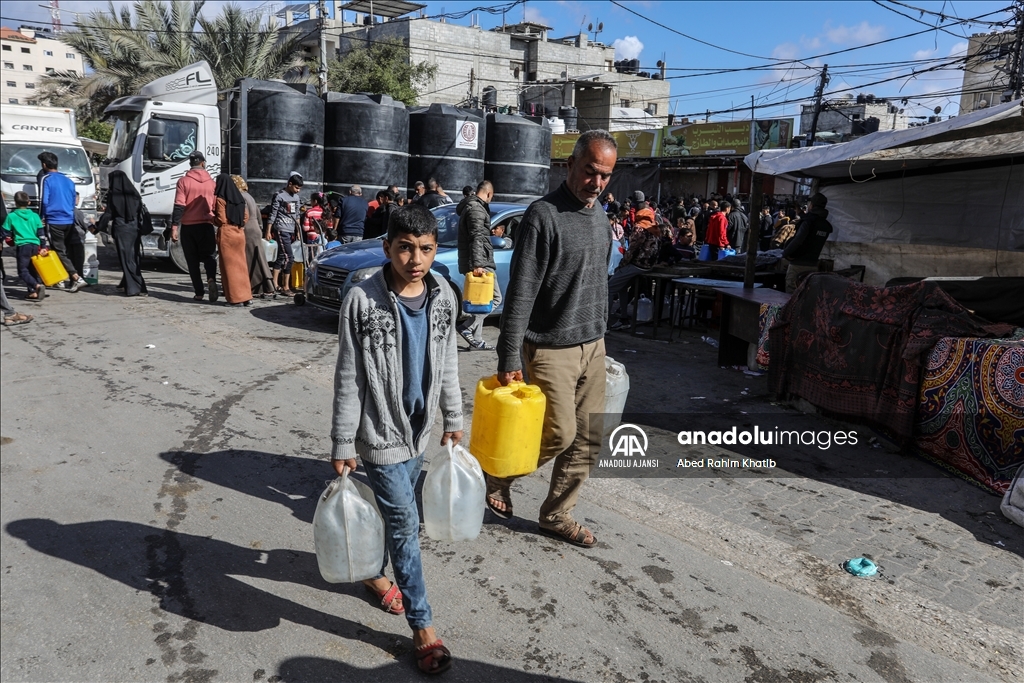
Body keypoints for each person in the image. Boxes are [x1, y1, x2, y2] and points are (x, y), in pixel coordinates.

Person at [330, 203, 463, 676]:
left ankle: (372, 571)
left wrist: (453, 415)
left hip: (419, 430)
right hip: (379, 432)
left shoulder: (444, 295)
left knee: (394, 516)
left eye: (425, 249)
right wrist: (343, 439)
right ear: (387, 247)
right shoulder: (363, 300)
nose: (415, 259)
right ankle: (422, 625)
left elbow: (447, 361)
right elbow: (349, 375)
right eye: (405, 248)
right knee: (405, 522)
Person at [490, 129, 617, 549]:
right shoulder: (543, 215)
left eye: (605, 176)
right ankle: (497, 474)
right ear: (570, 166)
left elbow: (596, 281)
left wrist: (601, 341)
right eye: (590, 172)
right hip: (548, 345)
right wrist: (509, 353)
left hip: (592, 346)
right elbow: (521, 290)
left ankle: (556, 514)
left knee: (588, 439)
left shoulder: (600, 216)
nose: (596, 183)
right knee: (558, 433)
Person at [456, 180, 500, 351]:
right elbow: (476, 237)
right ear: (488, 194)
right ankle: (467, 327)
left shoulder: (473, 207)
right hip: (481, 261)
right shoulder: (476, 209)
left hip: (478, 259)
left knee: (481, 301)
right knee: (495, 299)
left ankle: (477, 340)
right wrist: (478, 264)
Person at [606, 198, 661, 331]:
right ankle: (623, 318)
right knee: (622, 287)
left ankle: (602, 323)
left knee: (609, 288)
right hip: (649, 265)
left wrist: (622, 265)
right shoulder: (655, 226)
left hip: (637, 264)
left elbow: (632, 250)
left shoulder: (639, 227)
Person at [170, 151, 218, 302]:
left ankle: (199, 292)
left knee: (192, 261)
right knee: (209, 257)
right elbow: (216, 206)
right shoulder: (212, 183)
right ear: (203, 163)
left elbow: (179, 205)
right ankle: (211, 280)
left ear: (190, 164)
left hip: (189, 226)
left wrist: (174, 227)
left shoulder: (183, 182)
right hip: (207, 225)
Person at [38, 151, 87, 292]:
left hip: (54, 220)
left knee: (59, 251)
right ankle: (68, 279)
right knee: (66, 250)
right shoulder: (69, 180)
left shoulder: (46, 179)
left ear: (44, 165)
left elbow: (44, 201)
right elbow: (72, 202)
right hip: (68, 220)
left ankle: (75, 277)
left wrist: (41, 217)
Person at [97, 171, 148, 297]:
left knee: (126, 259)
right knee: (133, 257)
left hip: (121, 229)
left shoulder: (114, 195)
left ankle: (136, 288)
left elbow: (109, 214)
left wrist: (97, 227)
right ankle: (126, 284)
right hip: (135, 229)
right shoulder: (134, 194)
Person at [232, 176, 275, 299]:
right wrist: (260, 227)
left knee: (252, 260)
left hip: (248, 230)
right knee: (258, 258)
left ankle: (264, 287)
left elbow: (243, 214)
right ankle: (262, 287)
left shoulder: (240, 197)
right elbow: (258, 215)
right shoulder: (249, 196)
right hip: (255, 228)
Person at [212, 174, 252, 307]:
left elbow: (221, 219)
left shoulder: (221, 199)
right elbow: (246, 216)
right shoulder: (240, 198)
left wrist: (211, 219)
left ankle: (235, 299)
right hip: (240, 233)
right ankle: (246, 297)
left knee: (230, 268)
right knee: (241, 266)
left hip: (227, 234)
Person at [783, 193, 833, 293]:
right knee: (807, 295)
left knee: (791, 295)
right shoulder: (826, 225)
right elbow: (813, 222)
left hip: (798, 265)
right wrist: (799, 212)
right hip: (813, 265)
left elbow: (798, 240)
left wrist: (785, 253)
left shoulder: (808, 222)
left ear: (812, 205)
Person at [2, 191, 47, 301]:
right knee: (32, 269)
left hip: (23, 246)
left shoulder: (11, 216)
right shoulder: (35, 216)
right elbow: (41, 233)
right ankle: (32, 292)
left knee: (22, 271)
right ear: (29, 202)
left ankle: (36, 286)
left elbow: (4, 232)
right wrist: (43, 246)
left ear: (15, 203)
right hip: (35, 246)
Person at [266, 174, 303, 296]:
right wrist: (268, 230)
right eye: (296, 187)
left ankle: (274, 283)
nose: (298, 191)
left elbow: (297, 215)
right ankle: (285, 286)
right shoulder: (279, 196)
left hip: (291, 229)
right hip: (281, 228)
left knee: (282, 256)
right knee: (289, 257)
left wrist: (298, 230)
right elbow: (273, 213)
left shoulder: (296, 198)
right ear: (290, 184)